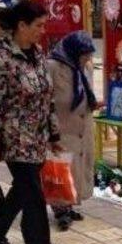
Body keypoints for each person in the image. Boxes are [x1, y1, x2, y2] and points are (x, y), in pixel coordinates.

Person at [0, 0, 61, 244]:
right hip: (14, 138)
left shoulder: (38, 53)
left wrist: (53, 131)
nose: (43, 30)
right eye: (38, 25)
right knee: (34, 197)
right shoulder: (1, 55)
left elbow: (46, 96)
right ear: (21, 26)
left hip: (37, 138)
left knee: (24, 189)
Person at [47, 30, 97, 230]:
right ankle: (60, 210)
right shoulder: (52, 67)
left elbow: (87, 92)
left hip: (82, 128)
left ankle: (70, 205)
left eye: (89, 55)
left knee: (78, 168)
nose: (87, 59)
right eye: (84, 55)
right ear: (73, 52)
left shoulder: (85, 68)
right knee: (61, 169)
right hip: (62, 127)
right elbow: (45, 100)